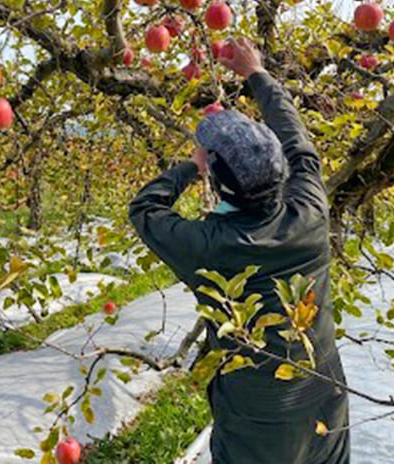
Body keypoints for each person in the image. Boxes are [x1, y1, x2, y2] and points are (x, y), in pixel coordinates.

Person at [128, 38, 349, 464]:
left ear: (217, 183)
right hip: (323, 397)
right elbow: (298, 141)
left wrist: (191, 166)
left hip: (255, 417)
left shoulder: (209, 247)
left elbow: (145, 209)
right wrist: (256, 73)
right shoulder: (310, 211)